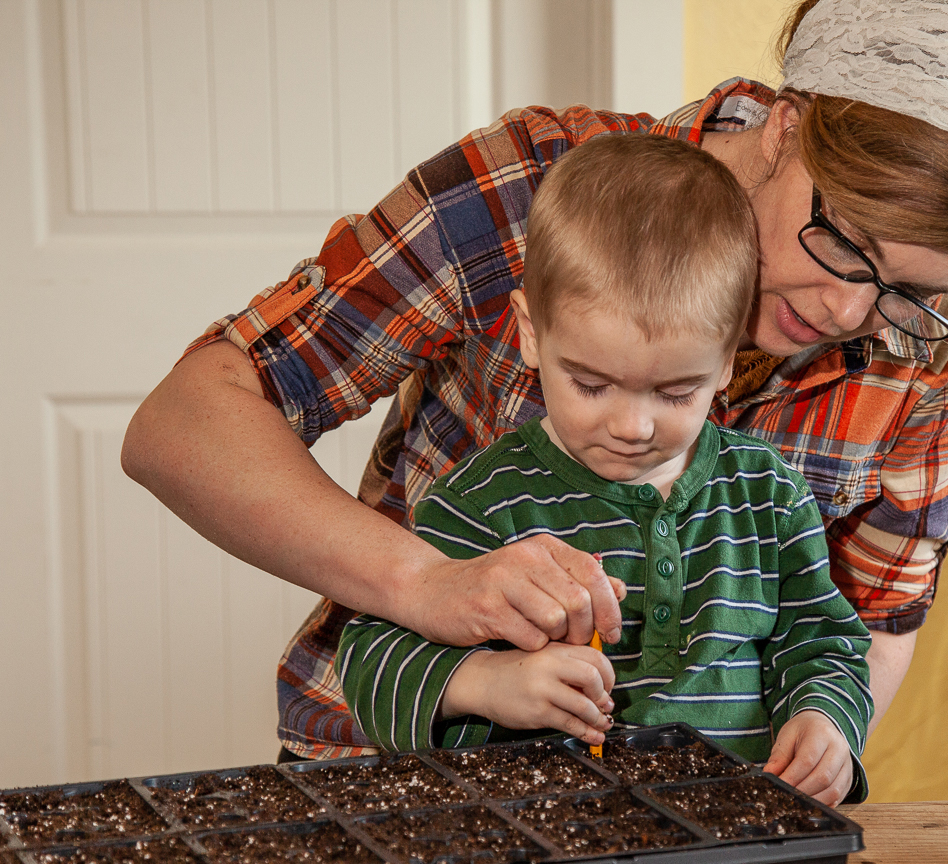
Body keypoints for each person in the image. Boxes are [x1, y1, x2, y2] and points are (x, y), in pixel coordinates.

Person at [120, 0, 948, 791]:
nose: (849, 308)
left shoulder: (936, 317)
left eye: (910, 291)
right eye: (846, 240)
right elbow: (183, 424)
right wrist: (427, 584)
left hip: (700, 820)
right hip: (395, 769)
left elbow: (872, 612)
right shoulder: (532, 188)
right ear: (788, 126)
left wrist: (807, 755)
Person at [334, 133, 873, 805]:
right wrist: (487, 681)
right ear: (532, 333)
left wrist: (825, 722)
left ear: (730, 359)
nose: (632, 425)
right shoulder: (481, 501)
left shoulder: (770, 498)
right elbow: (369, 658)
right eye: (592, 384)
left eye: (676, 392)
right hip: (542, 841)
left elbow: (823, 643)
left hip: (731, 836)